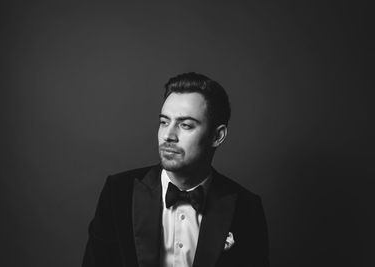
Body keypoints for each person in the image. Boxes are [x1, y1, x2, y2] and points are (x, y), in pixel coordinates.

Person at [82, 72, 269, 267]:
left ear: (217, 136)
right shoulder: (118, 192)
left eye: (186, 125)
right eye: (164, 122)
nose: (168, 136)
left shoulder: (246, 207)